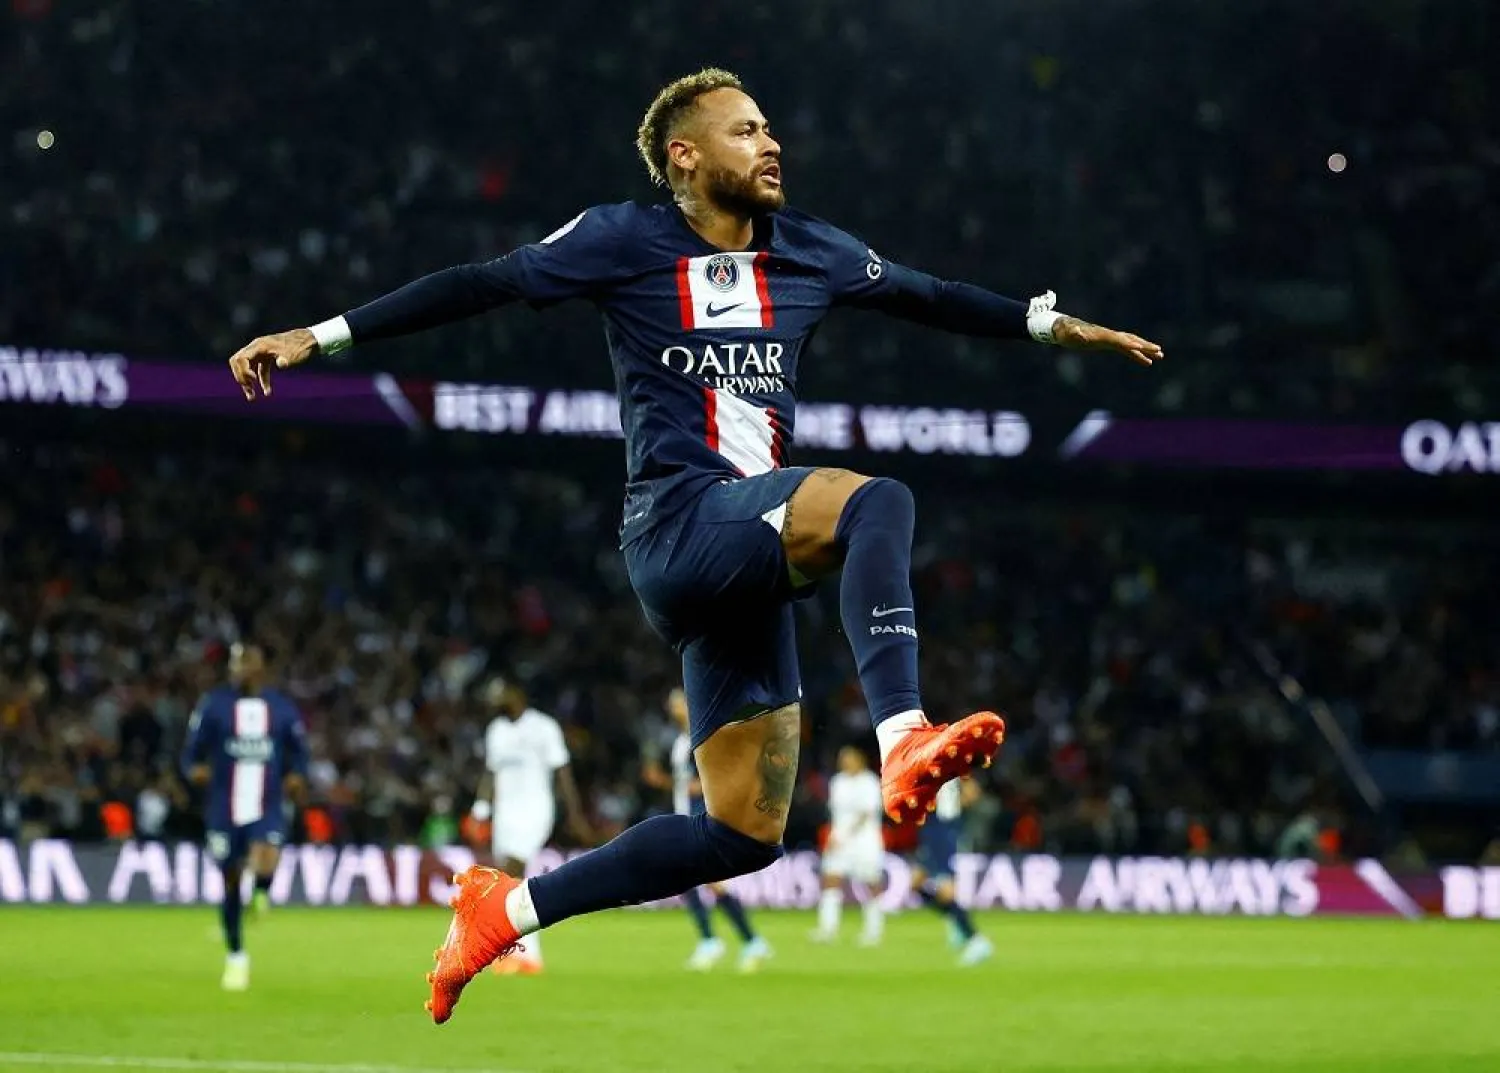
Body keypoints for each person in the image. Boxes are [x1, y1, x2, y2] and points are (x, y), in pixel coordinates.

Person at [226, 68, 1162, 1024]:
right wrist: (320, 333)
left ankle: (503, 909)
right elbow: (481, 284)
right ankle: (901, 734)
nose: (771, 144)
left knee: (743, 834)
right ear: (686, 155)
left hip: (742, 569)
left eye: (769, 128)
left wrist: (1052, 326)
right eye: (746, 130)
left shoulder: (811, 249)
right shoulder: (620, 239)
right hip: (680, 526)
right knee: (878, 502)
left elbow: (933, 295)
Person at [181, 642, 308, 991]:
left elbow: (299, 751)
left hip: (266, 804)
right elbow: (191, 752)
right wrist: (194, 771)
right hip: (224, 808)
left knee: (267, 857)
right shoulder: (214, 705)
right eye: (236, 662)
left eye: (247, 662)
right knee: (230, 882)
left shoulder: (281, 709)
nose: (240, 668)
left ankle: (263, 889)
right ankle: (236, 956)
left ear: (261, 668)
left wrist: (297, 774)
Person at [643, 688, 773, 972]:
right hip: (684, 815)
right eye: (672, 705)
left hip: (705, 816)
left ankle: (746, 941)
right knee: (685, 878)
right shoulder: (678, 741)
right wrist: (662, 780)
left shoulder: (709, 734)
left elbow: (729, 774)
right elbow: (682, 783)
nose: (675, 710)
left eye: (679, 704)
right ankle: (717, 940)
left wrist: (701, 787)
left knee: (707, 880)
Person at [471, 676, 592, 974]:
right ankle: (525, 954)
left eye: (500, 696)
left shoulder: (543, 727)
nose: (495, 703)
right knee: (508, 882)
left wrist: (575, 815)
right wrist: (480, 809)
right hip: (505, 812)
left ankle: (521, 954)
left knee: (515, 867)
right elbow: (490, 772)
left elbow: (562, 773)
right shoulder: (496, 730)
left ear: (516, 695)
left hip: (535, 808)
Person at [908, 777, 993, 967]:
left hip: (944, 831)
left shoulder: (951, 765)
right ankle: (957, 924)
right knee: (915, 885)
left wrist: (953, 807)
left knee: (946, 891)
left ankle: (976, 940)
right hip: (930, 830)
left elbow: (972, 792)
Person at [810, 745, 887, 946]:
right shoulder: (838, 782)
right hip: (839, 841)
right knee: (831, 880)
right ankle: (828, 929)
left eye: (848, 758)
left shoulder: (869, 782)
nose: (844, 762)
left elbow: (866, 814)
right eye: (842, 759)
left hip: (864, 841)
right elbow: (836, 815)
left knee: (871, 883)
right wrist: (834, 836)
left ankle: (874, 930)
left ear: (859, 760)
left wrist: (843, 835)